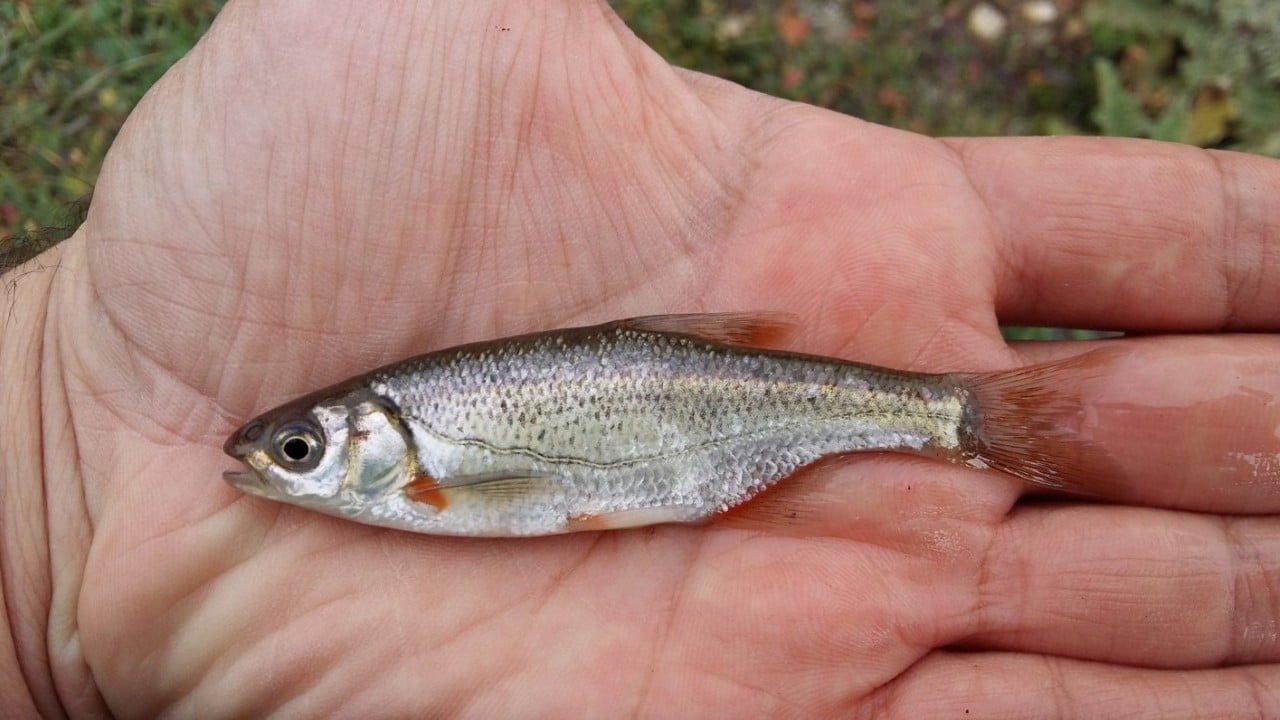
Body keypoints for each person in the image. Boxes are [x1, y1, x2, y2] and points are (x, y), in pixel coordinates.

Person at [3, 1, 1278, 717]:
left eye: (300, 451)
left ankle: (957, 420)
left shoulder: (424, 479)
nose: (289, 463)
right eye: (298, 449)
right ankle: (956, 419)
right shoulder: (412, 469)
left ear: (378, 447)